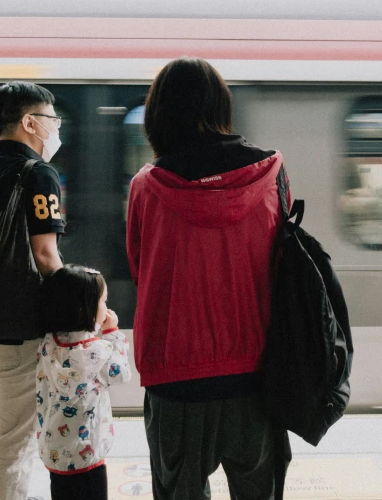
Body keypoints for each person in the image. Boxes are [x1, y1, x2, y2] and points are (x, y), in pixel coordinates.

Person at [126, 57, 291, 500]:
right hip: (255, 372)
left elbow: (141, 269)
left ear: (158, 113)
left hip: (173, 373)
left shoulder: (147, 186)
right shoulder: (271, 175)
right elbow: (282, 268)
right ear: (222, 107)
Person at [0, 81, 65, 500]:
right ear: (29, 122)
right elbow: (45, 255)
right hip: (16, 332)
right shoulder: (39, 174)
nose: (56, 129)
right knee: (14, 443)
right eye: (53, 120)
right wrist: (91, 304)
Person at [36, 264, 131, 500]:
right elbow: (120, 374)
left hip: (54, 448)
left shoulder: (50, 343)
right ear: (85, 308)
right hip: (87, 452)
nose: (106, 307)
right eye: (103, 302)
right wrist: (112, 333)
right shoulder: (96, 351)